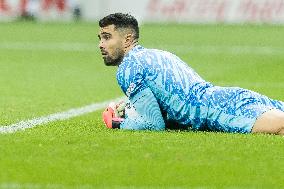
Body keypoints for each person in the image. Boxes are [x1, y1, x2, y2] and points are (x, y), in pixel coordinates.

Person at [98, 13, 284, 135]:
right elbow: (175, 106)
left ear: (128, 39)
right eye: (100, 38)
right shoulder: (157, 54)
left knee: (280, 126)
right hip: (230, 96)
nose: (101, 44)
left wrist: (117, 123)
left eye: (107, 37)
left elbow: (153, 124)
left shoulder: (128, 68)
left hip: (217, 111)